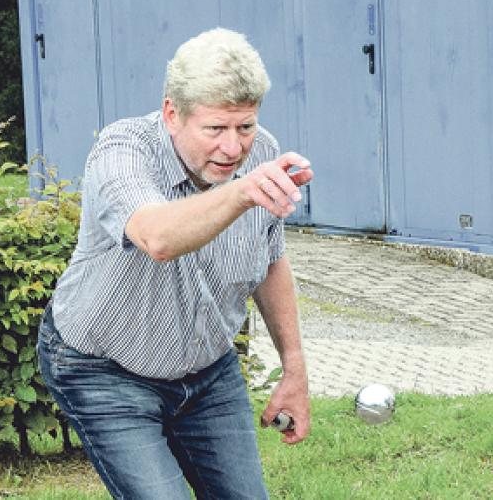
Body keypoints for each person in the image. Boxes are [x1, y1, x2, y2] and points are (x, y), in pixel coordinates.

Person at [37, 28, 313, 499]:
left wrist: (294, 368)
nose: (233, 148)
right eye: (215, 130)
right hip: (102, 368)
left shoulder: (262, 151)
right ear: (172, 114)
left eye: (244, 126)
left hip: (208, 370)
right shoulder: (123, 150)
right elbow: (157, 236)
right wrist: (241, 192)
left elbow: (269, 261)